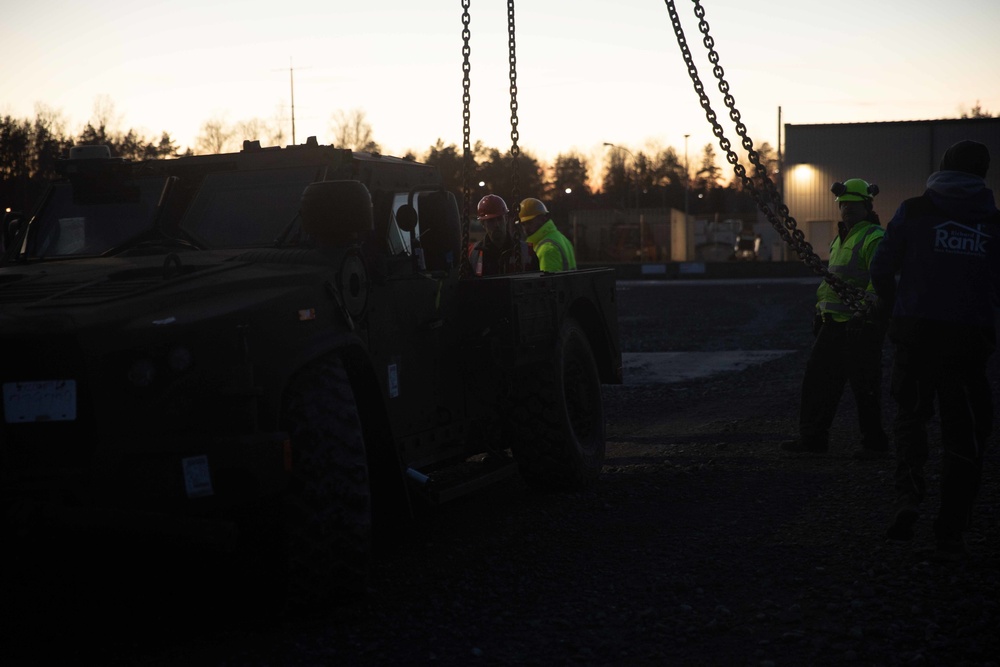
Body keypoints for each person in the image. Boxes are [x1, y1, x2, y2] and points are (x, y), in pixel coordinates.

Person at [870, 140, 1000, 558]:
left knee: (911, 415)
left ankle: (908, 498)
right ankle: (951, 528)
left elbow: (881, 266)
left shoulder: (915, 210)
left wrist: (894, 311)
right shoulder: (994, 222)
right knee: (965, 431)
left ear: (943, 167)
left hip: (917, 333)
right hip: (969, 338)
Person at [781, 178, 889, 458]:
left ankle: (874, 445)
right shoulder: (841, 238)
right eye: (844, 206)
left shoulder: (873, 237)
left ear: (867, 206)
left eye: (853, 205)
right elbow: (833, 281)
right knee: (817, 383)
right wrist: (821, 310)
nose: (847, 210)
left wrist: (866, 313)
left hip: (859, 326)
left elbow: (880, 281)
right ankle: (812, 439)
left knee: (865, 388)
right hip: (833, 326)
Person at [468, 194, 537, 276]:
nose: (497, 224)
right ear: (483, 224)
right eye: (491, 221)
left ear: (506, 219)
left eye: (499, 219)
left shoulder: (527, 252)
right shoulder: (472, 254)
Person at [517, 198, 577, 272]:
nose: (525, 228)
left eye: (529, 222)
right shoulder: (560, 238)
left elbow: (548, 283)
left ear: (542, 218)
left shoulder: (547, 249)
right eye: (523, 224)